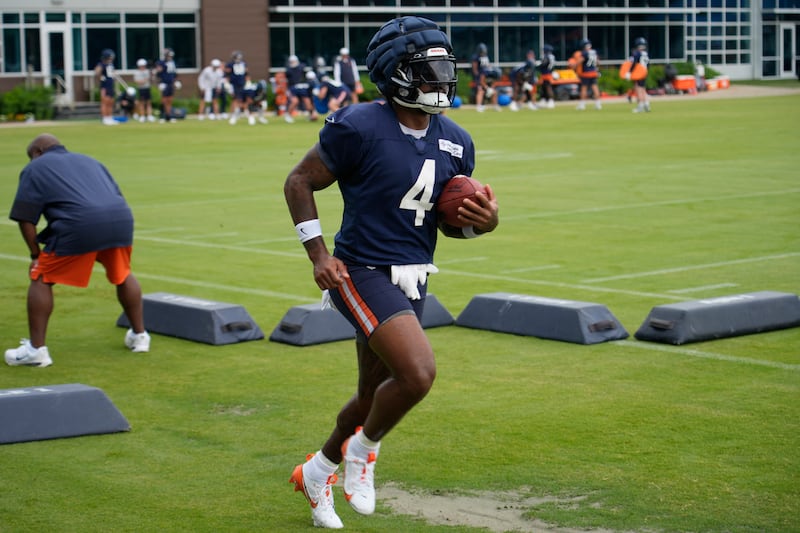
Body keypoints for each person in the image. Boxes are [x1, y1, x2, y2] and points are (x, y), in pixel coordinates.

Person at [284, 16, 499, 529]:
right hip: (358, 270)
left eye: (446, 70)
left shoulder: (457, 140)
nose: (442, 82)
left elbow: (446, 224)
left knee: (369, 395)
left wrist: (484, 224)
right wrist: (318, 254)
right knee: (418, 373)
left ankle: (317, 471)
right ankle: (363, 452)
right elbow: (298, 181)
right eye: (429, 72)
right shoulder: (358, 125)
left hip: (415, 273)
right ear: (396, 74)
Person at [5, 134, 150, 368]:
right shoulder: (90, 161)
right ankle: (140, 336)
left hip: (79, 223)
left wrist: (35, 255)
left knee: (41, 277)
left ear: (38, 152)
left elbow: (25, 218)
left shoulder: (35, 168)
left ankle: (36, 351)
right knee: (122, 274)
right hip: (120, 220)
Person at [285, 55, 319, 123]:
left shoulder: (302, 67)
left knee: (307, 102)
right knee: (295, 101)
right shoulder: (288, 70)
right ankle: (288, 115)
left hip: (302, 89)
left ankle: (311, 115)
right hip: (293, 89)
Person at [471, 43, 501, 112]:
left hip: (485, 77)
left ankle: (495, 105)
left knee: (494, 92)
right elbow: (475, 69)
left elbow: (488, 65)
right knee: (480, 91)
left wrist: (490, 88)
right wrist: (477, 76)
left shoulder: (492, 73)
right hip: (480, 77)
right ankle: (479, 106)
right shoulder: (476, 57)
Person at [574, 39, 601, 110]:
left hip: (586, 73)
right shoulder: (594, 52)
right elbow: (598, 62)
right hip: (593, 72)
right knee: (595, 88)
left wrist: (574, 66)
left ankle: (582, 105)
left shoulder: (585, 53)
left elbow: (579, 61)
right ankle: (598, 104)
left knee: (584, 89)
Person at [154, 48, 180, 122]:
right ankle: (162, 115)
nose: (170, 57)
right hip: (163, 83)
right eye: (169, 56)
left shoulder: (172, 63)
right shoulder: (161, 63)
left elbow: (174, 74)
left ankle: (169, 116)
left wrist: (175, 81)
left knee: (170, 100)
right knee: (164, 100)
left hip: (170, 83)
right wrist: (159, 83)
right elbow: (158, 73)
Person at [226, 51, 252, 125]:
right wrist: (227, 84)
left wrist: (248, 82)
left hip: (242, 84)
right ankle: (233, 115)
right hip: (234, 84)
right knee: (235, 99)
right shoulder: (230, 65)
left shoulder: (243, 64)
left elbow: (247, 74)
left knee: (243, 100)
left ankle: (238, 114)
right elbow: (227, 74)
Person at [627, 37, 651, 113]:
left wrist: (629, 72)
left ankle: (640, 105)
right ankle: (646, 103)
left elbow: (634, 64)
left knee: (638, 89)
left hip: (639, 73)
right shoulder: (646, 53)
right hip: (644, 72)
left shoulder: (637, 53)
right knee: (643, 89)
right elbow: (648, 64)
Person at [94, 49, 117, 126]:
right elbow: (97, 72)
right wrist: (101, 78)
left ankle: (110, 117)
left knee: (111, 102)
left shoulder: (111, 65)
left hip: (110, 85)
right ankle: (105, 118)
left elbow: (113, 74)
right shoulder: (101, 64)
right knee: (105, 102)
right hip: (105, 85)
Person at [133, 58, 155, 122]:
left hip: (147, 88)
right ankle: (142, 116)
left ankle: (149, 116)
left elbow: (152, 80)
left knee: (148, 102)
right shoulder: (137, 72)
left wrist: (152, 76)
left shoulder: (148, 71)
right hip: (141, 89)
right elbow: (137, 81)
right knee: (142, 102)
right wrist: (145, 80)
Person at [536, 44, 557, 109]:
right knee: (543, 88)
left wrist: (538, 65)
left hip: (546, 74)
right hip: (548, 73)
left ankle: (551, 101)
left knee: (548, 87)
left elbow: (544, 63)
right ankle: (543, 100)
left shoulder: (547, 56)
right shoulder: (552, 56)